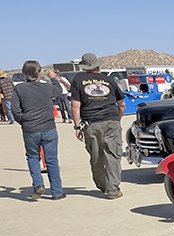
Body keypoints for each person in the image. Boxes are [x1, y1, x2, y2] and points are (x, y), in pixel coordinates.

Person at [70, 52, 126, 199]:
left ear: (83, 67)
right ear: (98, 65)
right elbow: (122, 104)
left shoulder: (77, 80)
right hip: (111, 121)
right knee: (113, 154)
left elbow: (75, 106)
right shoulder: (109, 80)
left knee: (96, 156)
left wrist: (77, 127)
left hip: (91, 123)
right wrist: (117, 119)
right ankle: (113, 189)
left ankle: (103, 185)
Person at [10, 60, 65, 200]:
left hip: (30, 129)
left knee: (33, 157)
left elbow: (15, 110)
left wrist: (23, 121)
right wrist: (53, 78)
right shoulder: (46, 87)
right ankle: (57, 192)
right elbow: (58, 91)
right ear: (39, 72)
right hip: (48, 127)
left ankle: (38, 184)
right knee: (51, 159)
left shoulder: (20, 88)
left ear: (24, 73)